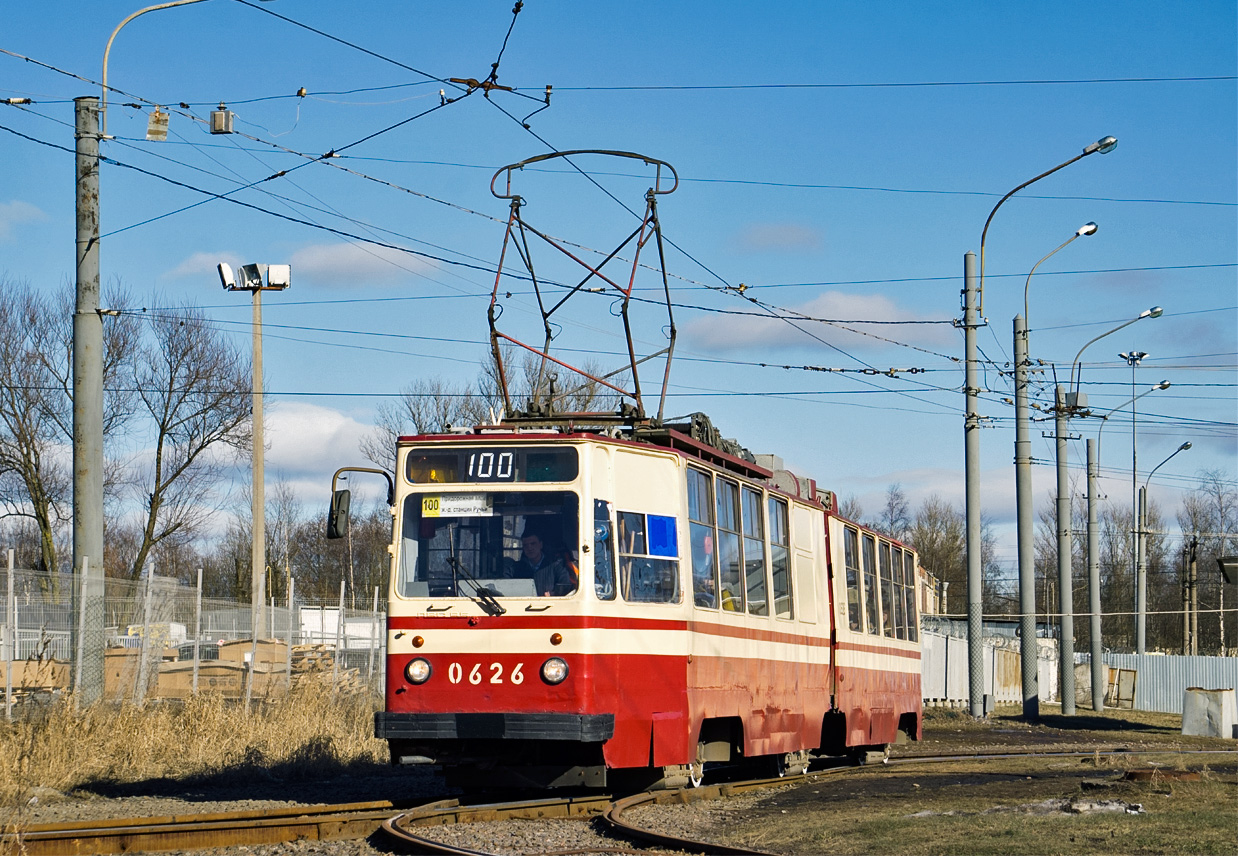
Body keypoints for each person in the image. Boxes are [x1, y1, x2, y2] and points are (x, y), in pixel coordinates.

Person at [506, 530, 575, 596]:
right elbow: (506, 586)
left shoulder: (556, 565)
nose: (529, 548)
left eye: (533, 543)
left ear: (540, 545)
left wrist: (553, 594)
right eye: (525, 545)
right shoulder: (516, 568)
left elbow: (565, 587)